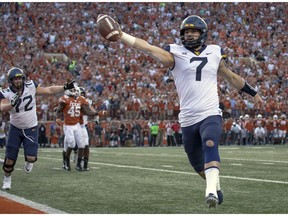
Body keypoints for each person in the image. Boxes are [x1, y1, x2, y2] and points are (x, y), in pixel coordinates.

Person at [107, 15, 263, 207]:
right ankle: (215, 185)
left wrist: (253, 93)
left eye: (193, 31)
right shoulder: (175, 52)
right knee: (197, 164)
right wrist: (123, 36)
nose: (189, 35)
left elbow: (231, 77)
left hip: (210, 112)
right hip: (188, 118)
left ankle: (211, 192)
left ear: (202, 33)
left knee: (210, 143)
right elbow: (147, 47)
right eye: (186, 32)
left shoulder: (214, 52)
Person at [0, 67, 75, 190]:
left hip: (31, 128)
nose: (18, 81)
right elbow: (2, 107)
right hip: (16, 128)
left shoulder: (30, 86)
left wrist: (65, 87)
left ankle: (28, 161)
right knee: (9, 160)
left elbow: (49, 90)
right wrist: (11, 104)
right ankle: (7, 178)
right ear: (10, 80)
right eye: (15, 79)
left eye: (20, 78)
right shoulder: (6, 92)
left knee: (31, 158)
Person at [55, 87, 98, 171]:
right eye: (76, 91)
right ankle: (66, 162)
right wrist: (57, 115)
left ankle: (81, 164)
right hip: (68, 124)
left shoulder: (82, 100)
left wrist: (96, 114)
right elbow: (59, 109)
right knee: (69, 144)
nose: (78, 94)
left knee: (83, 144)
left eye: (80, 93)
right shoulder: (65, 99)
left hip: (79, 125)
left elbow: (88, 110)